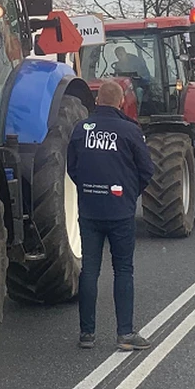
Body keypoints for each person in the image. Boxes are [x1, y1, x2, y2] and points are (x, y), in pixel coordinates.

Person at [67, 80, 155, 351]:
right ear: (119, 102)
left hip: (90, 211)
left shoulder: (81, 129)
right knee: (123, 270)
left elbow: (73, 168)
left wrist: (89, 191)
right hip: (120, 212)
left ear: (97, 101)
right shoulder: (130, 131)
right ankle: (125, 334)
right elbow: (147, 171)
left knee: (90, 271)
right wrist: (129, 194)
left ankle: (87, 334)